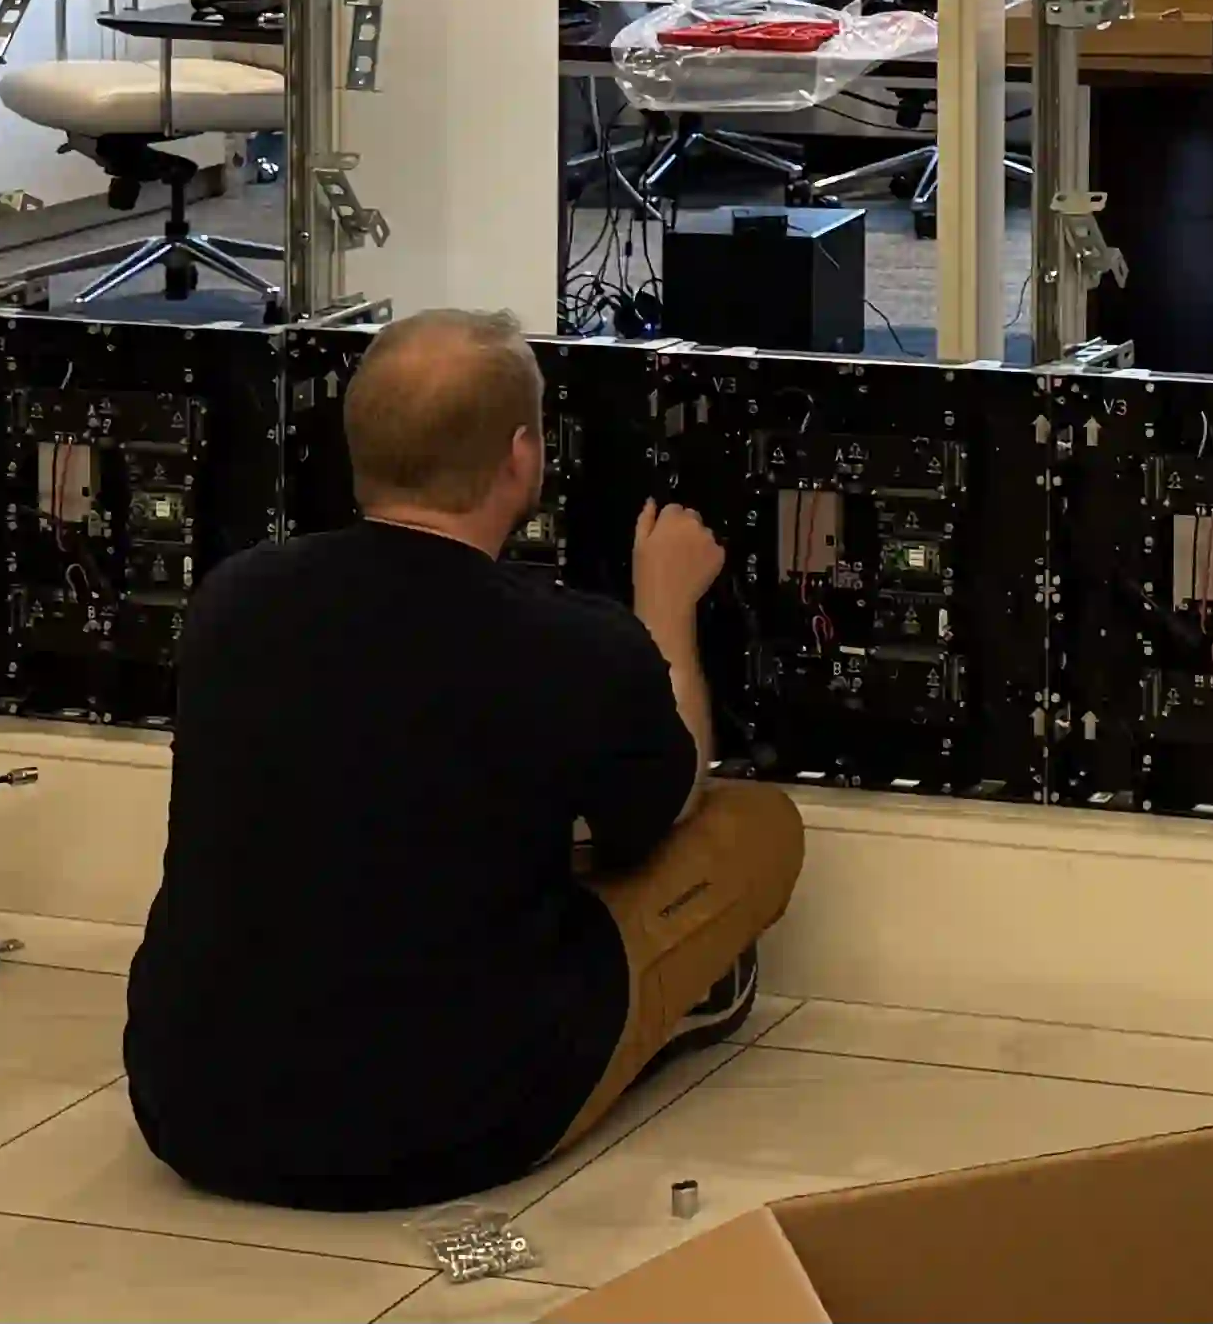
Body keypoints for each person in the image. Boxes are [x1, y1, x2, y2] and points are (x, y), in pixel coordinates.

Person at [124, 308, 803, 1209]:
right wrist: (664, 605)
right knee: (758, 831)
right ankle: (669, 1010)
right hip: (455, 1123)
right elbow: (667, 800)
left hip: (192, 1108)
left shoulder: (231, 597)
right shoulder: (568, 639)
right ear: (522, 456)